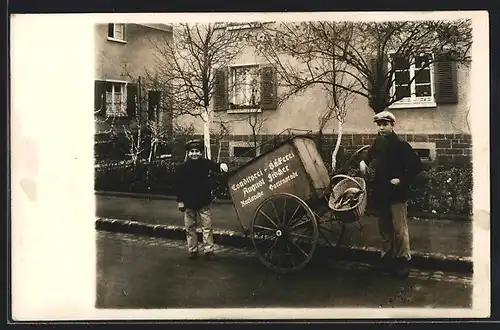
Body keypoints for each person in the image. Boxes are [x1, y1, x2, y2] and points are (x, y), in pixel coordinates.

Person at [359, 111, 422, 278]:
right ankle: (386, 260)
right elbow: (369, 153)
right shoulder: (379, 142)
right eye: (379, 125)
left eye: (385, 124)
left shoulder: (400, 145)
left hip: (397, 194)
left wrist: (401, 180)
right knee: (385, 229)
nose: (381, 128)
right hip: (382, 193)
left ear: (392, 125)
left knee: (399, 230)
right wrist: (363, 161)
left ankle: (402, 262)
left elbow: (416, 166)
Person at [175, 139, 229, 261]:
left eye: (197, 151)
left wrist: (221, 166)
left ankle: (209, 250)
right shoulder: (182, 168)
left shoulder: (205, 163)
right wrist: (180, 201)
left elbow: (215, 166)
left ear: (201, 153)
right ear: (188, 153)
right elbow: (179, 186)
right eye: (192, 151)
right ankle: (192, 250)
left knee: (207, 227)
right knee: (190, 228)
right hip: (188, 203)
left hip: (203, 201)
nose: (194, 154)